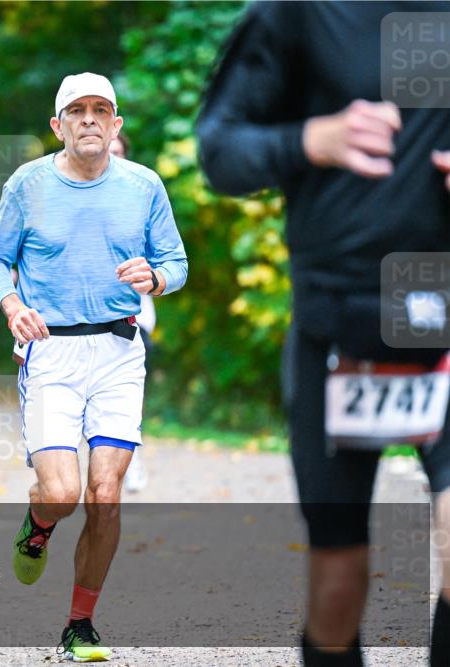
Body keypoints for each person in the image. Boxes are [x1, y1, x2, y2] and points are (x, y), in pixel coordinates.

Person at [196, 3, 450, 665]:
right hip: (339, 325)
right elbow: (219, 151)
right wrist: (312, 139)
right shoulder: (299, 13)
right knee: (338, 583)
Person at [0, 72, 187, 661]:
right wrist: (13, 304)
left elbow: (176, 261)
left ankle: (80, 624)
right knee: (63, 492)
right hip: (52, 350)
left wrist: (158, 278)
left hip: (119, 350)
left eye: (101, 109)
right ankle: (39, 522)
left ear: (116, 124)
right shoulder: (28, 184)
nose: (90, 119)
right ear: (58, 125)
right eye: (77, 110)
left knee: (105, 494)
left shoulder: (144, 185)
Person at [108, 133, 151, 494]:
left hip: (135, 317)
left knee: (127, 396)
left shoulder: (142, 197)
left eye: (118, 152)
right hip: (82, 321)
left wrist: (152, 274)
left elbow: (168, 258)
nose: (112, 157)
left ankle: (130, 462)